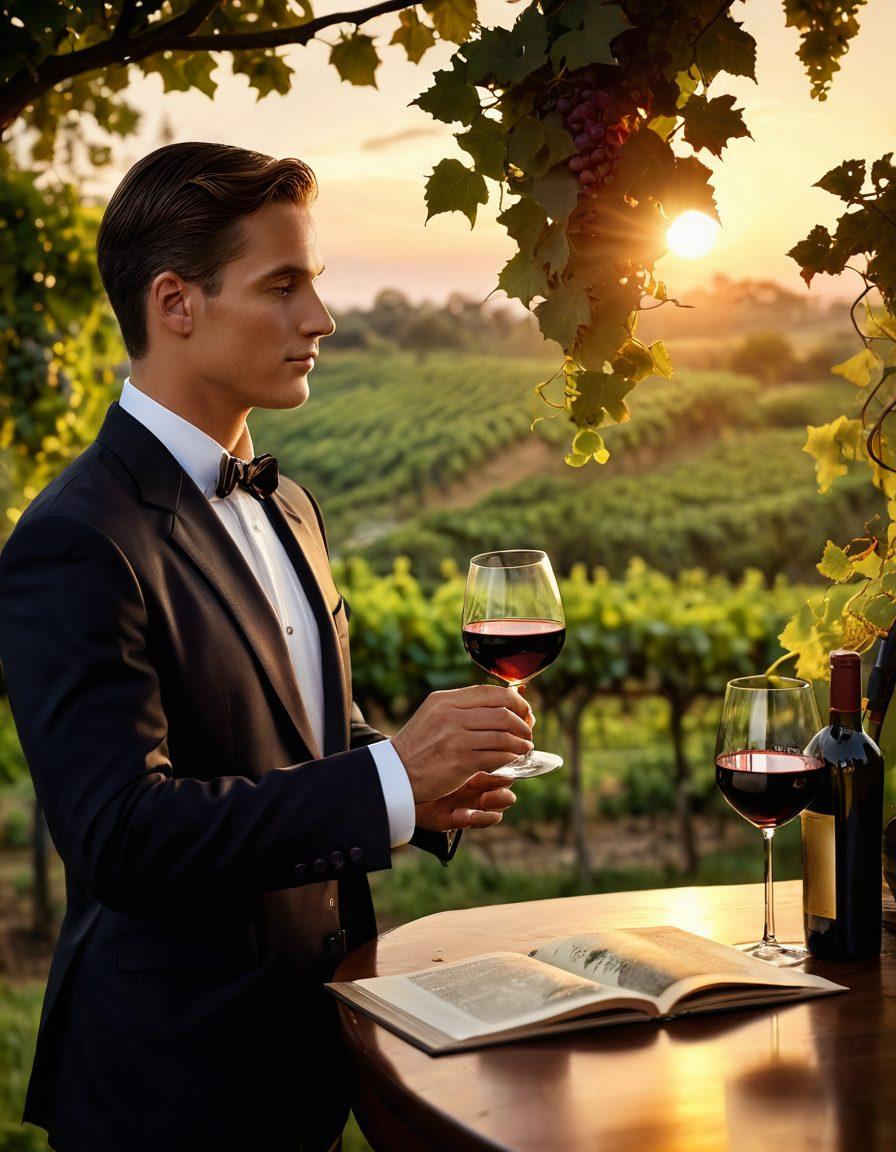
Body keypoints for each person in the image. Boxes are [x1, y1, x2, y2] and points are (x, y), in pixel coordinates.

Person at [0, 141, 535, 1152]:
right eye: (282, 285)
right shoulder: (75, 538)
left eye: (315, 284)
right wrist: (384, 781)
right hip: (170, 1089)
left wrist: (425, 784)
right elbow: (122, 836)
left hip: (309, 1055)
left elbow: (286, 732)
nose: (319, 319)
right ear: (176, 303)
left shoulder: (285, 501)